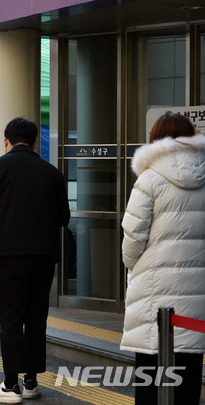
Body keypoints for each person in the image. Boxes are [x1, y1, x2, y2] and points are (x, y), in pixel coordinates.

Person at [0, 118, 70, 404]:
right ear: (35, 141)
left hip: (9, 255)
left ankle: (10, 383)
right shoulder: (51, 172)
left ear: (7, 140)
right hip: (44, 255)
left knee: (11, 319)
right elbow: (64, 217)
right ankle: (31, 381)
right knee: (36, 318)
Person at [121, 113, 205, 405]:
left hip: (154, 293)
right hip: (197, 294)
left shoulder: (150, 178)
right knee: (189, 366)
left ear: (156, 139)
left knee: (150, 371)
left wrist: (132, 264)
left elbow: (133, 236)